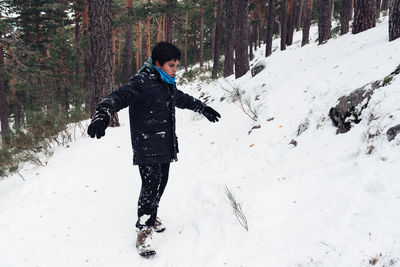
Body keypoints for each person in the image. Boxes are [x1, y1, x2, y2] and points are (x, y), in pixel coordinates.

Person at [87, 42, 221, 257]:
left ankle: (152, 213)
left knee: (162, 182)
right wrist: (103, 114)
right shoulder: (141, 81)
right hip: (147, 144)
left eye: (177, 65)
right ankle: (144, 229)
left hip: (165, 142)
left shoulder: (166, 82)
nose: (175, 70)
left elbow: (180, 98)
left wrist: (202, 107)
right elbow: (118, 97)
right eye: (171, 65)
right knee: (151, 184)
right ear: (158, 63)